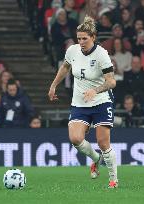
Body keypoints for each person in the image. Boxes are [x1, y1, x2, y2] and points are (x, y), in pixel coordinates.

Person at [48, 16, 118, 188]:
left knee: (103, 142)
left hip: (101, 101)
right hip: (80, 102)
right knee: (75, 138)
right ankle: (95, 159)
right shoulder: (72, 51)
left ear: (93, 37)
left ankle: (113, 179)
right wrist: (53, 85)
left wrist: (95, 90)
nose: (81, 42)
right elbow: (65, 67)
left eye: (84, 38)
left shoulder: (102, 54)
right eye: (78, 38)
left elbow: (111, 82)